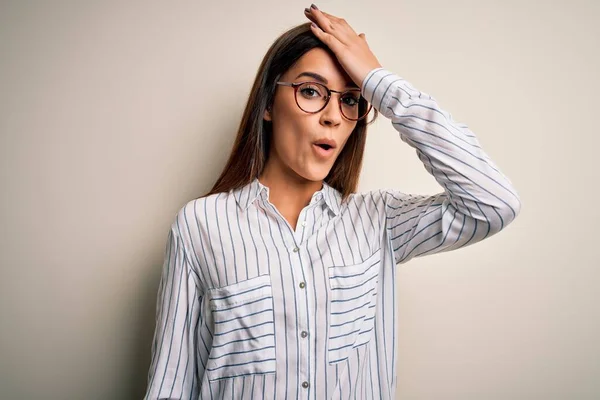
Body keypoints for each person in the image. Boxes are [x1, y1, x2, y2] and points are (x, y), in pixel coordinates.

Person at [143, 4, 522, 399]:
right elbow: (170, 385)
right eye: (311, 91)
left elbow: (493, 202)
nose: (333, 117)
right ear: (269, 104)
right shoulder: (200, 225)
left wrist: (379, 82)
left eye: (351, 100)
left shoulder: (378, 222)